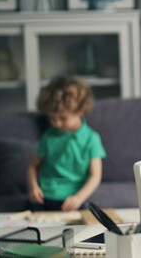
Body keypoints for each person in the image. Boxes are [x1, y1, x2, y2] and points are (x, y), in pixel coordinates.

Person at [27, 76, 106, 211]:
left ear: (80, 111)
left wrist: (79, 197)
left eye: (63, 118)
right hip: (43, 199)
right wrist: (34, 188)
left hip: (73, 201)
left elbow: (95, 175)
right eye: (52, 118)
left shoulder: (92, 139)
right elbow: (32, 167)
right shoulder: (48, 136)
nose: (57, 123)